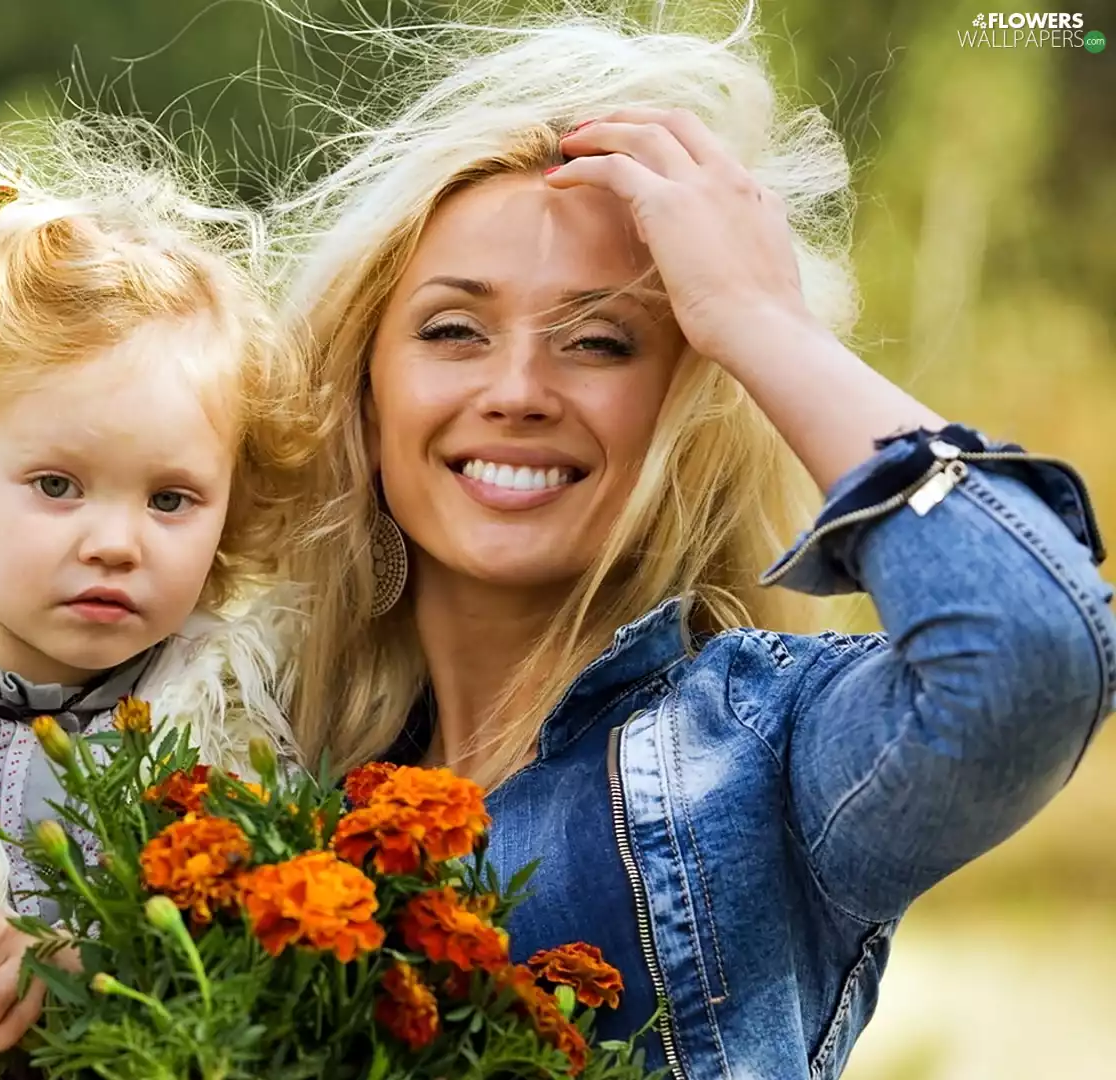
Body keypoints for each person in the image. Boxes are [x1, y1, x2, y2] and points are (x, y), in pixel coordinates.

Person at [267, 12, 1114, 1079]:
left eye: (600, 341)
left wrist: (764, 321)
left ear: (690, 411)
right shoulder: (274, 779)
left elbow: (1030, 655)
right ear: (364, 392)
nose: (518, 390)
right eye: (453, 331)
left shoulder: (758, 760)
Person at [0, 118, 312, 1066]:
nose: (116, 543)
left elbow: (268, 995)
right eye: (57, 485)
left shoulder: (243, 740)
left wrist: (108, 962)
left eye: (170, 499)